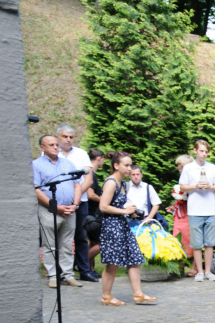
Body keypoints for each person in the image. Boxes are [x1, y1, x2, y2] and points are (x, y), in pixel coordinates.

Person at [97, 151, 155, 306]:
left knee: (135, 257)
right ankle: (106, 296)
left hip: (122, 224)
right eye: (126, 165)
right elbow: (103, 206)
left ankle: (138, 294)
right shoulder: (111, 182)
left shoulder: (122, 183)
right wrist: (124, 211)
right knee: (113, 262)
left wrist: (132, 213)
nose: (130, 169)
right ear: (116, 166)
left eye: (130, 165)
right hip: (111, 226)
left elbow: (117, 205)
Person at [33, 134, 82, 288]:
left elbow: (77, 185)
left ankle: (67, 275)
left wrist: (75, 204)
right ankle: (53, 275)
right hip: (49, 210)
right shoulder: (36, 165)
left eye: (56, 144)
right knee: (50, 244)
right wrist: (55, 207)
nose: (55, 147)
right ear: (42, 147)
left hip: (70, 210)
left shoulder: (68, 164)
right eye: (51, 145)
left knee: (67, 244)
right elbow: (36, 189)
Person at [57, 125, 99, 282]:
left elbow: (88, 178)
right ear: (58, 137)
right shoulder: (53, 153)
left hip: (80, 202)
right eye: (65, 136)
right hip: (60, 203)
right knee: (59, 238)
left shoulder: (81, 153)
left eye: (71, 137)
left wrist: (74, 197)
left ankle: (84, 270)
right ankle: (61, 272)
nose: (68, 139)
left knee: (81, 237)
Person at [179, 139, 215, 282]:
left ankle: (208, 271)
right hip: (195, 210)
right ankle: (199, 272)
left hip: (210, 210)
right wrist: (195, 186)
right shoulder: (188, 168)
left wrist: (210, 186)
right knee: (197, 244)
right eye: (202, 151)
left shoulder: (212, 168)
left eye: (206, 152)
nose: (204, 154)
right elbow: (182, 187)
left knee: (210, 243)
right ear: (195, 150)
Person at [169, 153, 195, 270]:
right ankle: (179, 268)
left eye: (181, 166)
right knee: (177, 239)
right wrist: (174, 206)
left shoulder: (193, 178)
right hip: (180, 216)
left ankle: (195, 267)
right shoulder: (181, 179)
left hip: (190, 212)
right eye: (178, 166)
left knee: (192, 239)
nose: (179, 169)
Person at [84, 149, 105, 265]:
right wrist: (105, 200)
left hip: (91, 215)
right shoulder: (91, 173)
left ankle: (89, 269)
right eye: (103, 159)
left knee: (93, 243)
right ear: (99, 158)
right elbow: (90, 194)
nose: (103, 162)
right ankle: (80, 262)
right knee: (101, 243)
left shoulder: (90, 172)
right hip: (92, 215)